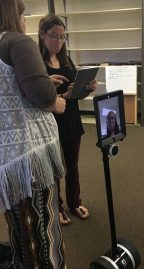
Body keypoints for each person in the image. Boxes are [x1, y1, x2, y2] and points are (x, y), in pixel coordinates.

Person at [0, 1, 68, 269]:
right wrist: (55, 101)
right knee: (43, 236)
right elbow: (41, 95)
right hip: (32, 161)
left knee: (22, 235)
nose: (25, 19)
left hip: (9, 162)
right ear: (14, 13)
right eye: (23, 13)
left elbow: (14, 88)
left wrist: (43, 82)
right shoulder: (18, 41)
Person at [38, 14, 98, 225]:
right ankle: (58, 208)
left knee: (73, 166)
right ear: (42, 34)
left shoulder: (66, 59)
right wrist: (61, 96)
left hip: (72, 118)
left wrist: (86, 89)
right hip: (50, 123)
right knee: (54, 169)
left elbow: (75, 93)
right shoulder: (36, 63)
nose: (59, 42)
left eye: (63, 37)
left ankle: (74, 203)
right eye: (54, 36)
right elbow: (38, 99)